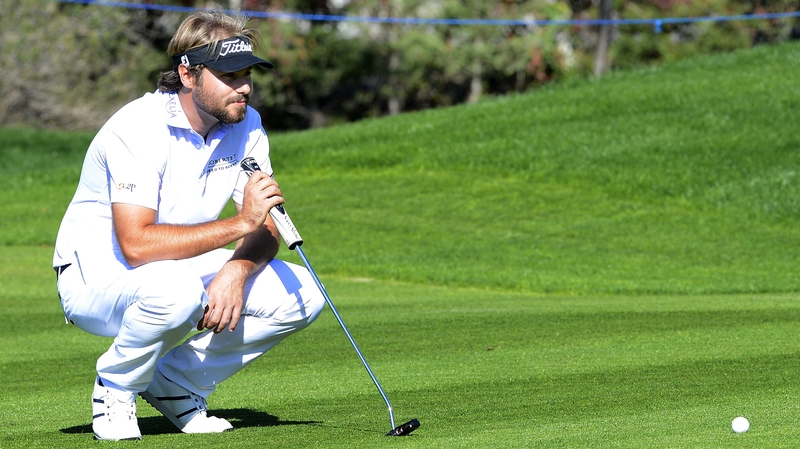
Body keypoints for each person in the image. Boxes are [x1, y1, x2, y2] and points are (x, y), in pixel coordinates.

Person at [53, 10, 325, 441]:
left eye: (248, 74)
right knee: (179, 293)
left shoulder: (247, 124)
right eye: (229, 75)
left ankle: (178, 383)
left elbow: (265, 221)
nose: (245, 88)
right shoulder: (136, 127)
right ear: (188, 74)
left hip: (178, 265)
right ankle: (116, 386)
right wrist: (242, 223)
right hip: (96, 276)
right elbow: (137, 244)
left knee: (305, 294)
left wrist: (236, 271)